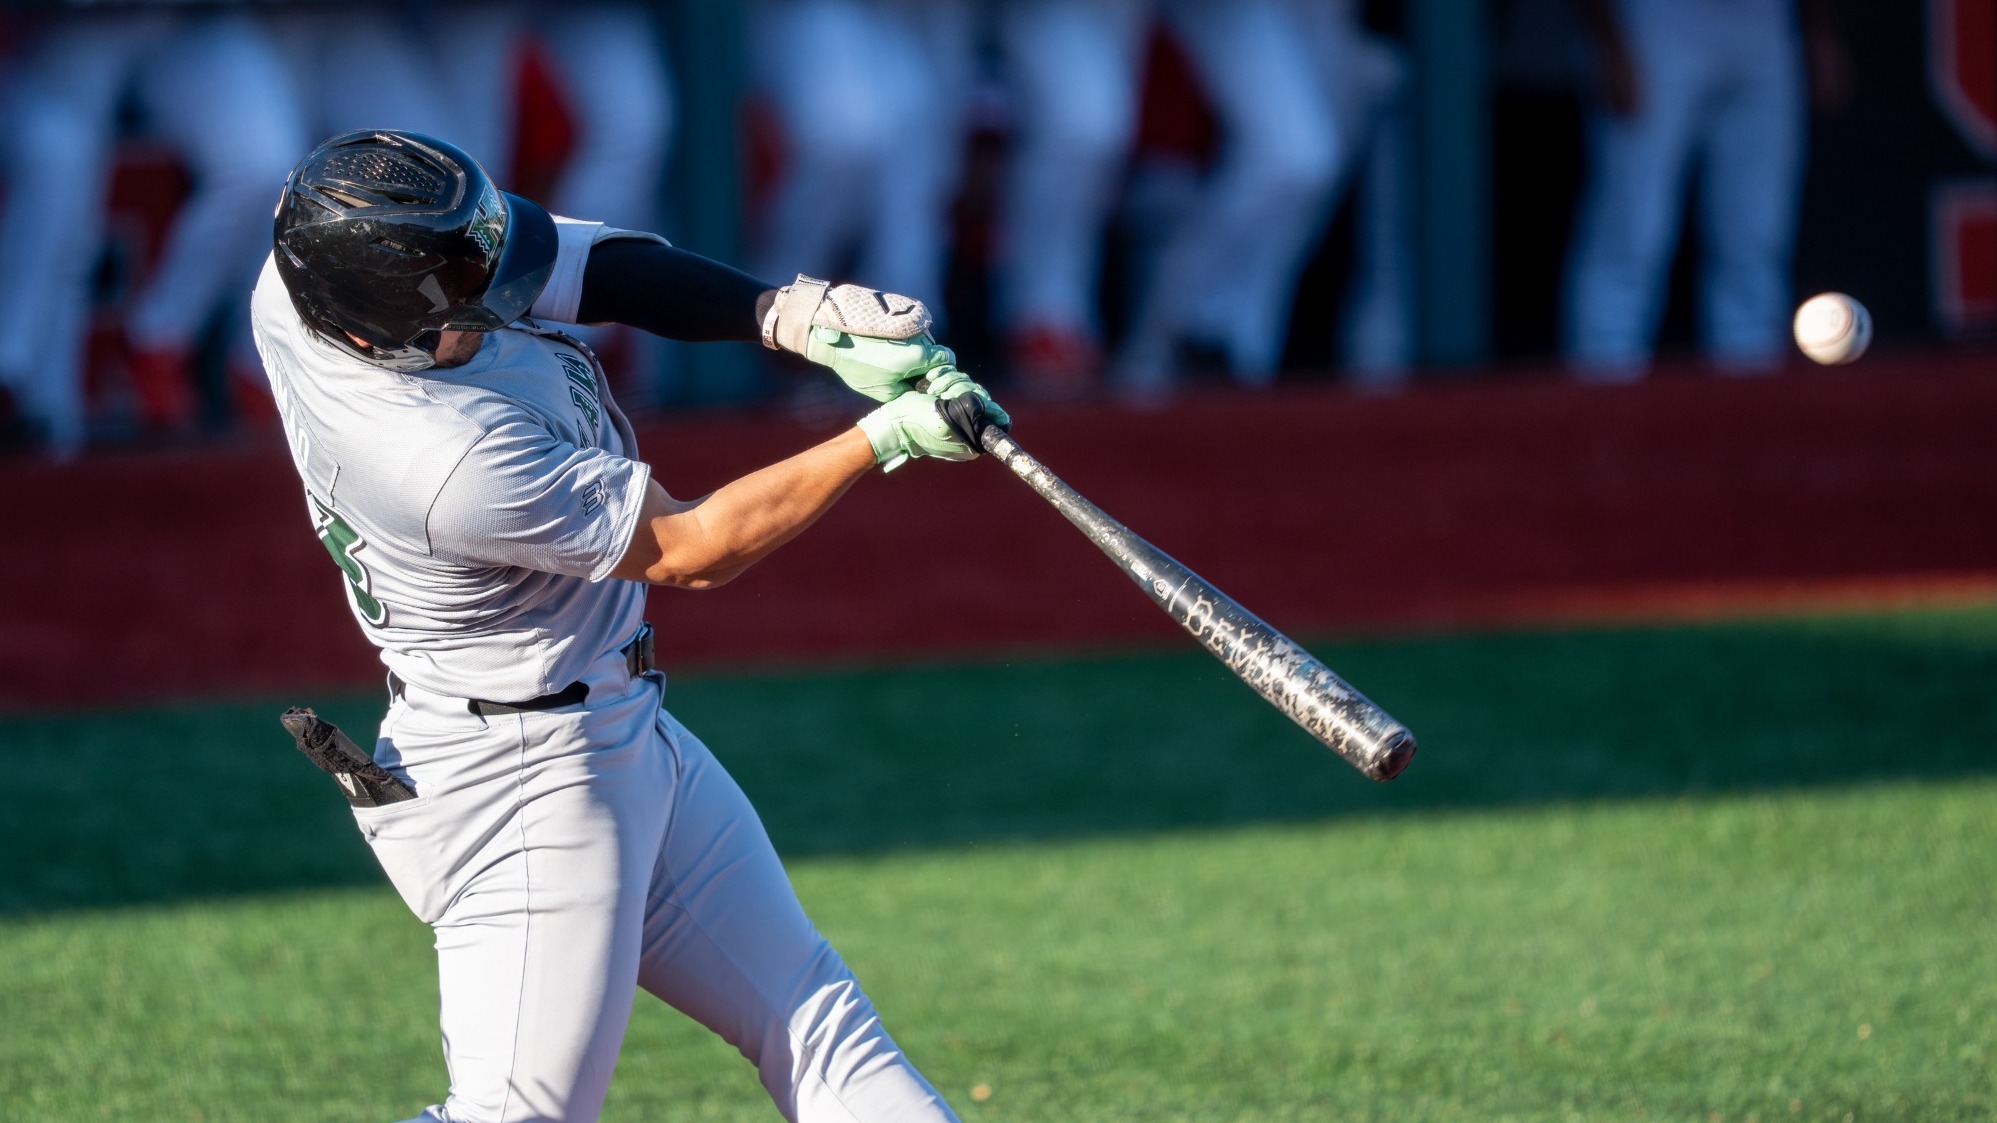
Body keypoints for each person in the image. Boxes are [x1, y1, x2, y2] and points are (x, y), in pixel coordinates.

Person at [252, 129, 1006, 1123]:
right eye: (474, 304)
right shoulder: (441, 459)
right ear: (376, 335)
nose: (506, 300)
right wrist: (880, 438)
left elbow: (584, 267)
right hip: (524, 783)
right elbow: (695, 547)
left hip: (609, 723)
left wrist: (786, 316)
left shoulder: (317, 272)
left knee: (812, 1014)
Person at [1562, 0, 1845, 380]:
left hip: (1764, 21)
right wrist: (1610, 46)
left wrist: (1818, 31)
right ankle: (1601, 384)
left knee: (1756, 233)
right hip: (1659, 19)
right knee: (1632, 228)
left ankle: (1750, 394)